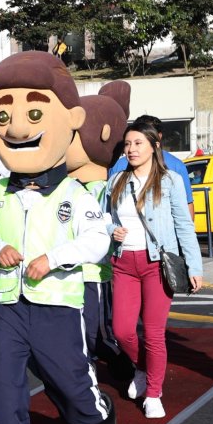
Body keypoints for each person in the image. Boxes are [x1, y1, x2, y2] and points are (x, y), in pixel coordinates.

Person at [0, 51, 115, 424]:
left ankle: (94, 415)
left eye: (32, 114)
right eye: (5, 115)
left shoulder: (76, 192)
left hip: (56, 303)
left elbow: (97, 240)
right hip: (6, 304)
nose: (18, 128)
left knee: (68, 376)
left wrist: (56, 257)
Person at [105, 122, 205, 419]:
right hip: (123, 263)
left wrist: (194, 265)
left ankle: (153, 392)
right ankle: (143, 368)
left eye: (137, 143)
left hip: (155, 264)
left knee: (153, 333)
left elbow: (184, 226)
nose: (131, 149)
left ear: (153, 146)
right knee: (122, 331)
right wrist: (112, 230)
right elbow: (104, 218)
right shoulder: (116, 181)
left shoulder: (170, 180)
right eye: (127, 144)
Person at [64, 81, 136, 382]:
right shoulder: (66, 186)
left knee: (100, 329)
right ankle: (89, 369)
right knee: (81, 327)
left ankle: (130, 367)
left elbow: (106, 217)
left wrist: (111, 229)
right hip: (71, 271)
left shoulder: (100, 186)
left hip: (95, 272)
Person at [109, 114, 195, 217]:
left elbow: (186, 207)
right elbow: (108, 209)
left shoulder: (176, 168)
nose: (132, 149)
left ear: (158, 138)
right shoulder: (118, 169)